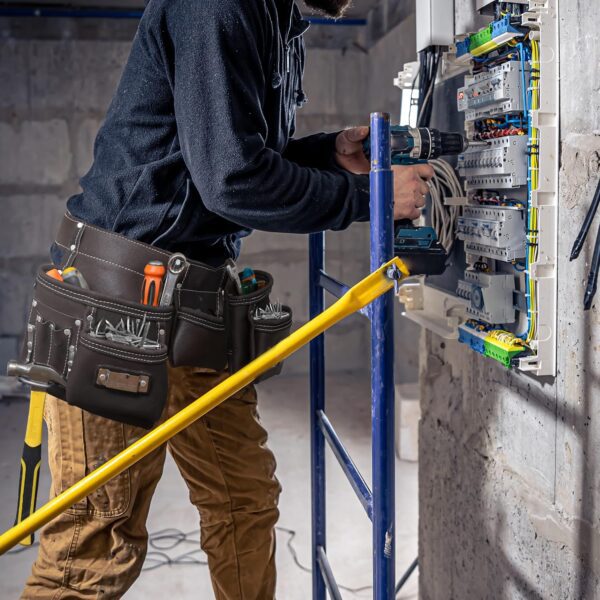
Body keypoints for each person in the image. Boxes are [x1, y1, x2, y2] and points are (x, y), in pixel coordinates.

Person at [22, 0, 433, 598]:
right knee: (93, 549)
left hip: (194, 306)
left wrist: (326, 154)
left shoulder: (277, 19)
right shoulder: (219, 5)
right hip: (117, 310)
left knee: (244, 502)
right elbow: (232, 181)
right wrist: (367, 197)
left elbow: (226, 152)